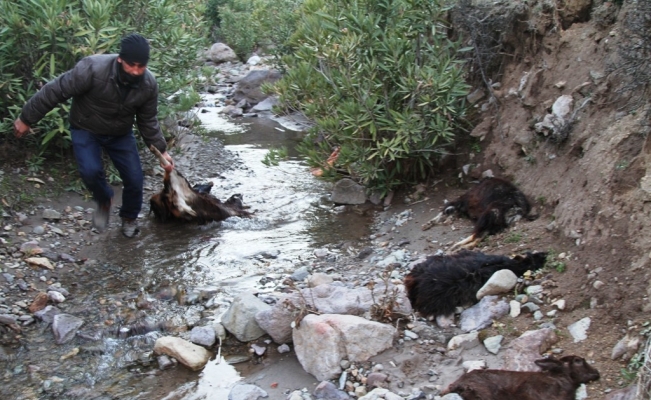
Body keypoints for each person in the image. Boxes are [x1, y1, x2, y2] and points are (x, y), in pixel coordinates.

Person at [13, 33, 174, 238]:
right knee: (90, 171)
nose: (135, 71)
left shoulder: (148, 84)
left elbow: (148, 120)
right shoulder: (92, 68)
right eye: (131, 65)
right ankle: (104, 199)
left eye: (141, 66)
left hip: (120, 134)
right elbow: (56, 90)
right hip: (85, 128)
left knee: (135, 179)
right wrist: (27, 118)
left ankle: (129, 218)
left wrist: (161, 151)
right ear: (120, 59)